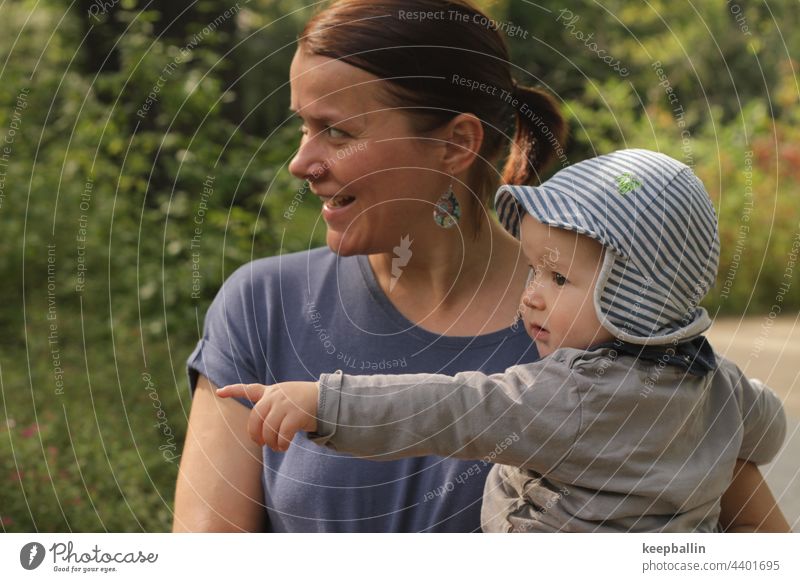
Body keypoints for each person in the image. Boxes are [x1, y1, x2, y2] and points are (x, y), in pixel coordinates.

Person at [174, 0, 789, 532]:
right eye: (303, 127)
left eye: (336, 132)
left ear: (454, 143)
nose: (301, 161)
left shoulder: (601, 327)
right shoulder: (262, 306)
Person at [218, 149, 788, 532]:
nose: (532, 294)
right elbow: (770, 428)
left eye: (560, 278)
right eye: (534, 269)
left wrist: (324, 403)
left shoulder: (574, 395)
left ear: (639, 298)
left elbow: (454, 408)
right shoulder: (719, 383)